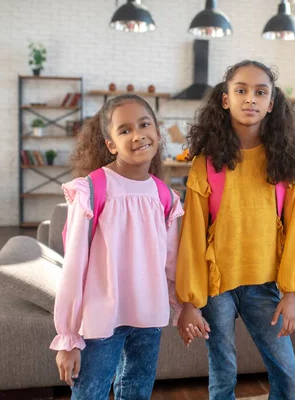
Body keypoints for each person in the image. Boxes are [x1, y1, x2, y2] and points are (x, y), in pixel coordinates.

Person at [176, 60, 295, 400]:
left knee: (289, 380)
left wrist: (292, 294)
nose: (250, 98)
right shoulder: (205, 163)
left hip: (265, 285)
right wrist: (189, 302)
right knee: (222, 379)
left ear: (271, 103)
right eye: (241, 90)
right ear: (226, 99)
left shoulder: (286, 162)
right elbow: (192, 236)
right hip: (216, 286)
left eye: (260, 92)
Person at [50, 94, 183, 399]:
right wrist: (68, 337)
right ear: (110, 144)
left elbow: (171, 262)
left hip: (148, 318)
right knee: (90, 393)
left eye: (144, 124)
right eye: (124, 130)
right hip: (101, 318)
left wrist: (184, 306)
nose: (137, 135)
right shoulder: (92, 189)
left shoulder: (165, 197)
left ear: (157, 132)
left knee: (137, 393)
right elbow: (73, 266)